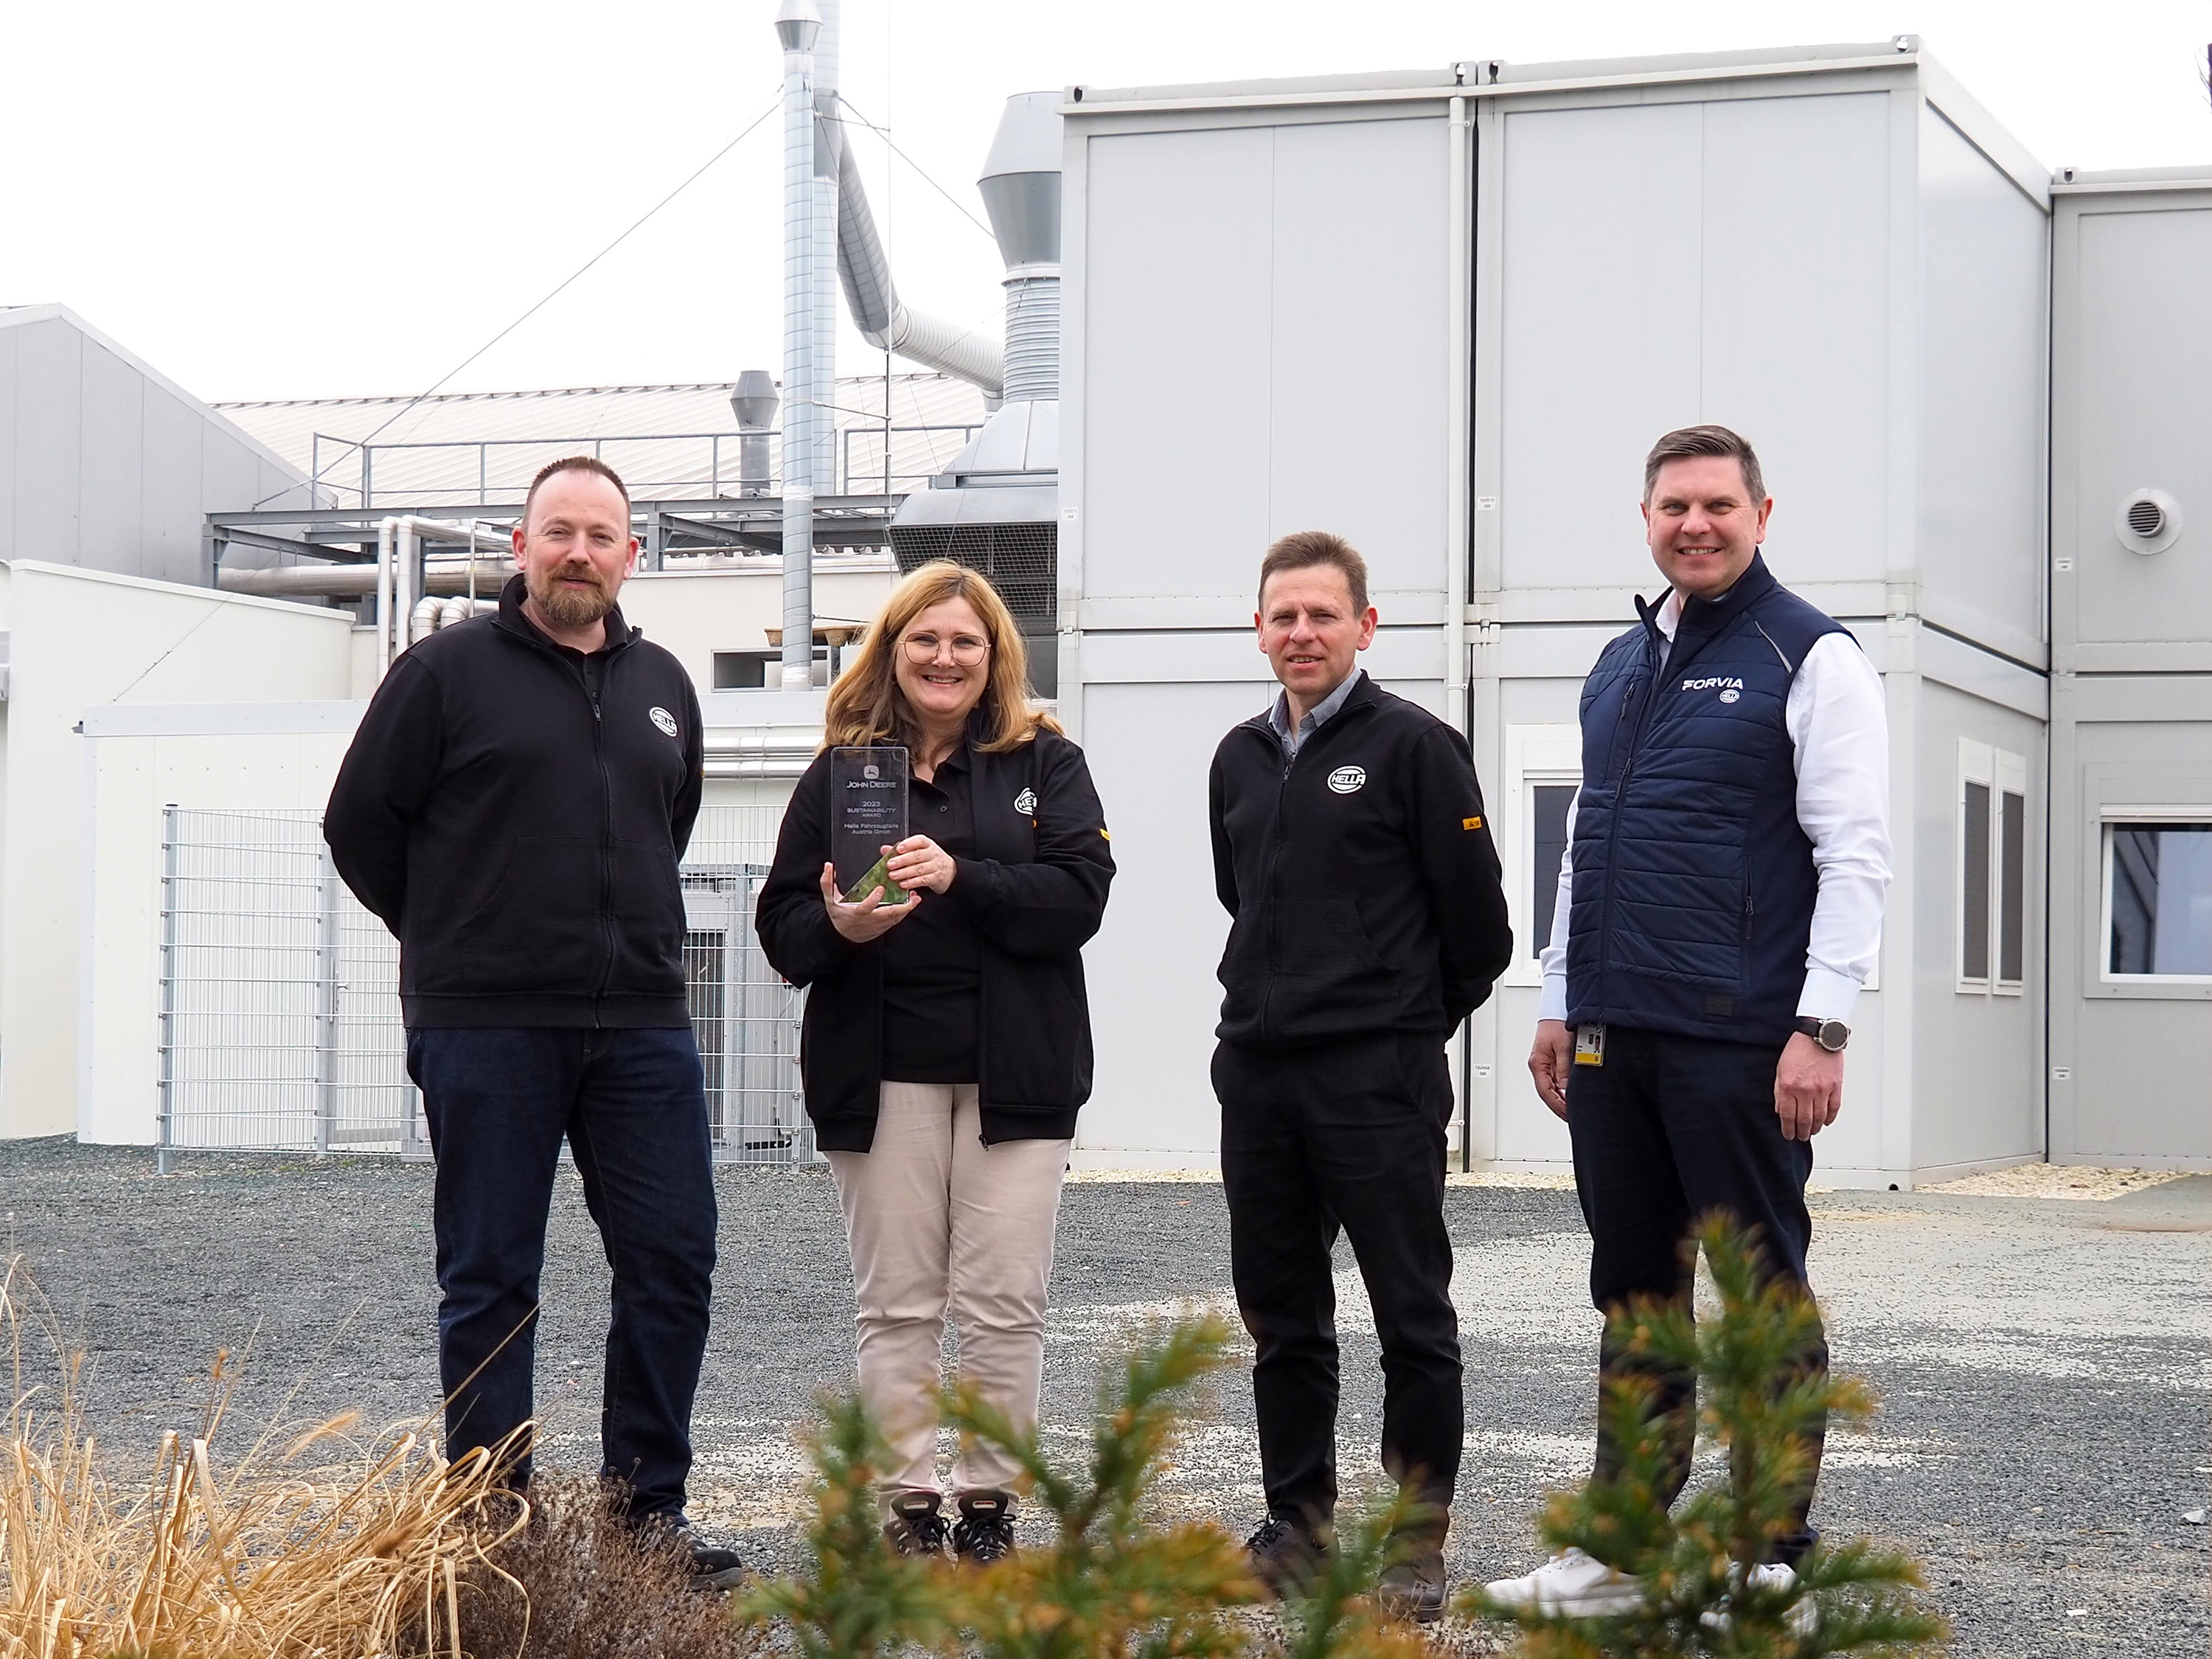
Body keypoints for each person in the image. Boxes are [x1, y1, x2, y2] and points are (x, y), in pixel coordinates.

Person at [1486, 425, 1891, 1618]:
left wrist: (1824, 1026)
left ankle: (1770, 1558)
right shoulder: (1620, 663)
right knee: (1633, 1293)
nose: (1695, 524)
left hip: (1739, 1035)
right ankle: (1622, 1552)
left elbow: (1855, 853)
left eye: (1718, 504)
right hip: (1615, 1034)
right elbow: (1587, 841)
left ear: (1763, 514)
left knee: (1758, 1295)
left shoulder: (1811, 655)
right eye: (1675, 506)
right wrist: (1560, 998)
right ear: (1647, 518)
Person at [324, 456, 741, 1589]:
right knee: (492, 1275)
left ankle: (643, 1515)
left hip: (642, 1026)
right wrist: (458, 935)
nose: (579, 552)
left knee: (672, 1260)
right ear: (520, 546)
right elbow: (360, 826)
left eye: (601, 535)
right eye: (559, 531)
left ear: (630, 556)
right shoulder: (443, 673)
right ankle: (490, 1526)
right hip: (488, 1026)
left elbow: (669, 821)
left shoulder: (664, 683)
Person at [755, 560, 1114, 1566]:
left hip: (1018, 1077)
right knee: (899, 1304)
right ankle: (907, 1506)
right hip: (880, 1076)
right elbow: (782, 927)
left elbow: (1081, 898)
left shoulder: (1046, 763)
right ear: (893, 650)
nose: (944, 657)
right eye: (924, 638)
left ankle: (989, 1506)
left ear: (994, 655)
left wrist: (965, 876)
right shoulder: (842, 773)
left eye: (965, 641)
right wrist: (840, 926)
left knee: (1005, 1304)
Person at [1208, 530, 1512, 1622]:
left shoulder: (1417, 747)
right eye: (1283, 616)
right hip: (1260, 1077)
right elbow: (1243, 897)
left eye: (1323, 615)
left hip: (1377, 1079)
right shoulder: (1238, 757)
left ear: (1365, 626)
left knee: (1410, 1315)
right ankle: (1297, 1526)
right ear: (1259, 629)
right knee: (1282, 1316)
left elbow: (1478, 931)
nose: (1303, 633)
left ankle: (1414, 1545)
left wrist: (1395, 1025)